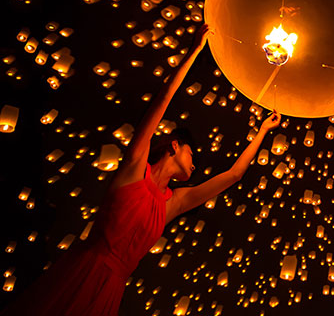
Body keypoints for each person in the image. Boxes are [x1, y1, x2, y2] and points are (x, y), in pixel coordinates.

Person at [0, 24, 281, 315]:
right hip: (83, 269)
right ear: (173, 145)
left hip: (112, 290)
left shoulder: (173, 203)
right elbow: (163, 100)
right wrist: (193, 51)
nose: (195, 163)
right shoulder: (135, 167)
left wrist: (262, 131)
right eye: (191, 153)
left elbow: (234, 175)